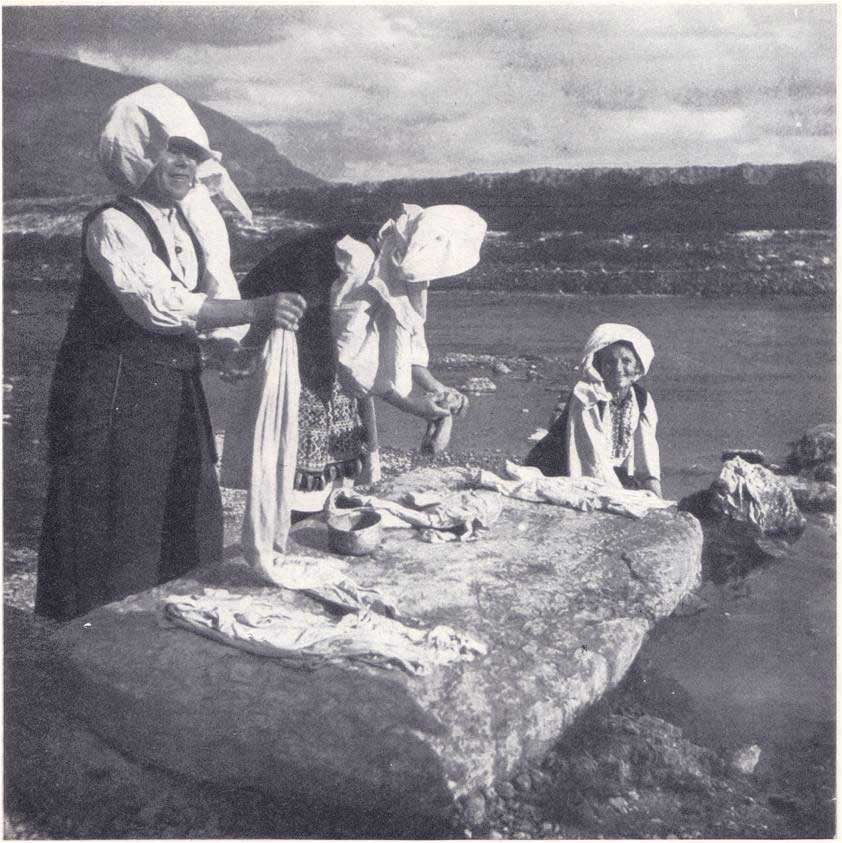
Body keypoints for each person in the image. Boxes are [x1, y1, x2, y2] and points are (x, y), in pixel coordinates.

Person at [35, 84, 306, 621]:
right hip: (110, 395)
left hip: (167, 387)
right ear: (138, 155)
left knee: (183, 506)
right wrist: (257, 309)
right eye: (170, 150)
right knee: (119, 515)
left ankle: (166, 620)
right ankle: (100, 633)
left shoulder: (184, 225)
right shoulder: (114, 224)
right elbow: (160, 306)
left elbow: (198, 301)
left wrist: (225, 351)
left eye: (191, 153)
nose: (184, 163)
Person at [221, 221, 476, 522]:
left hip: (331, 363)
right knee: (297, 481)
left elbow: (404, 336)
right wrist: (412, 406)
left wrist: (435, 386)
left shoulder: (401, 263)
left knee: (335, 483)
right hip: (298, 356)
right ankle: (292, 537)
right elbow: (352, 361)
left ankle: (318, 528)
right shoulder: (356, 263)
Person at [525, 323, 662, 496]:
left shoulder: (642, 399)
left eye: (626, 361)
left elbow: (647, 452)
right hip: (560, 468)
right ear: (599, 366)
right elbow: (591, 459)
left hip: (605, 471)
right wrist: (617, 494)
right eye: (610, 362)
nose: (618, 368)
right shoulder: (586, 397)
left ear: (637, 366)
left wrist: (657, 496)